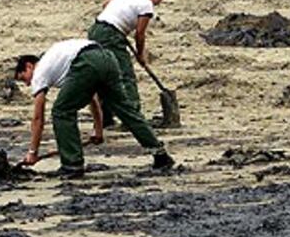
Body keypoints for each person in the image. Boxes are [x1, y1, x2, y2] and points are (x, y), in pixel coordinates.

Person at [14, 38, 174, 178]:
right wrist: (98, 130)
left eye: (24, 79)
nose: (28, 84)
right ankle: (160, 154)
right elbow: (93, 97)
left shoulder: (40, 71)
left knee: (61, 112)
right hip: (106, 58)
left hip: (85, 62)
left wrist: (32, 153)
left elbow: (38, 118)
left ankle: (72, 165)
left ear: (29, 66)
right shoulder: (58, 62)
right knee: (126, 110)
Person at [88, 0, 166, 128]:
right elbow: (139, 34)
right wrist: (140, 54)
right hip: (111, 35)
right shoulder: (146, 4)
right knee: (126, 76)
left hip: (96, 30)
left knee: (104, 75)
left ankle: (105, 118)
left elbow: (106, 4)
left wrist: (117, 20)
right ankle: (132, 119)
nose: (158, 3)